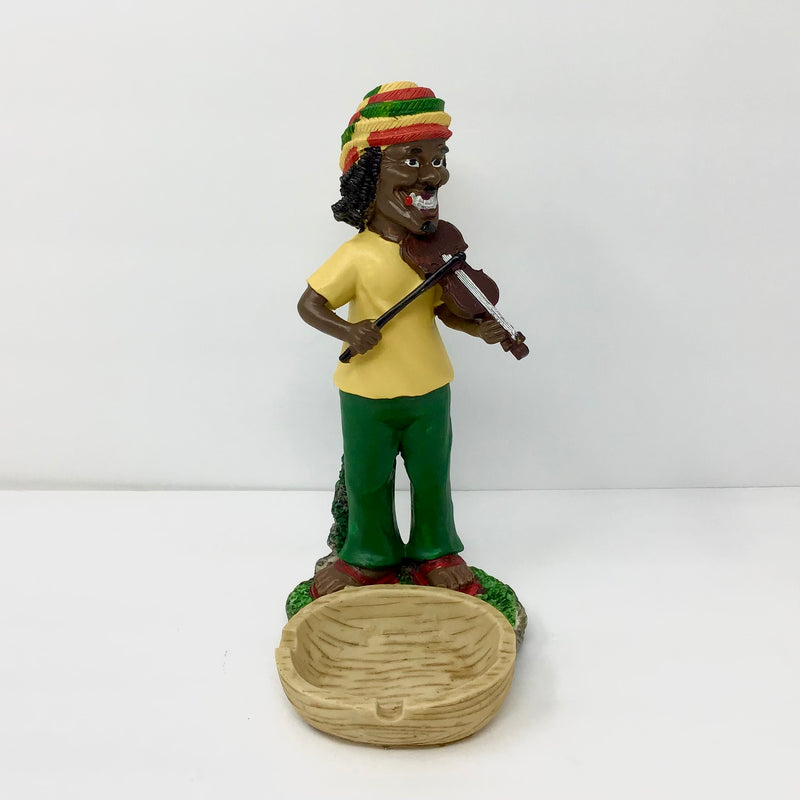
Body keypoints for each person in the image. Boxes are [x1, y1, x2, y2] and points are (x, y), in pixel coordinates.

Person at [298, 82, 505, 598]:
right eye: (412, 160)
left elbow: (447, 309)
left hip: (429, 386)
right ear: (370, 177)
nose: (433, 174)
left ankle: (436, 549)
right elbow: (310, 305)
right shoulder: (357, 254)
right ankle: (369, 554)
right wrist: (348, 330)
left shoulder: (433, 253)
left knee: (432, 475)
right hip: (366, 392)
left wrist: (477, 326)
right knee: (368, 477)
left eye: (438, 160)